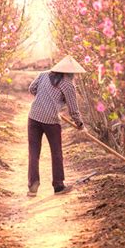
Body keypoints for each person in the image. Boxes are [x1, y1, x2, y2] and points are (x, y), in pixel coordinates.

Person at [27, 55, 86, 197]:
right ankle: (59, 186)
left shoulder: (43, 75)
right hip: (51, 121)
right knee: (56, 153)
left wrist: (44, 99)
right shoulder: (68, 84)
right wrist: (80, 125)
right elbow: (73, 109)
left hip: (33, 116)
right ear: (70, 72)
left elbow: (32, 89)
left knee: (33, 153)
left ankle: (32, 188)